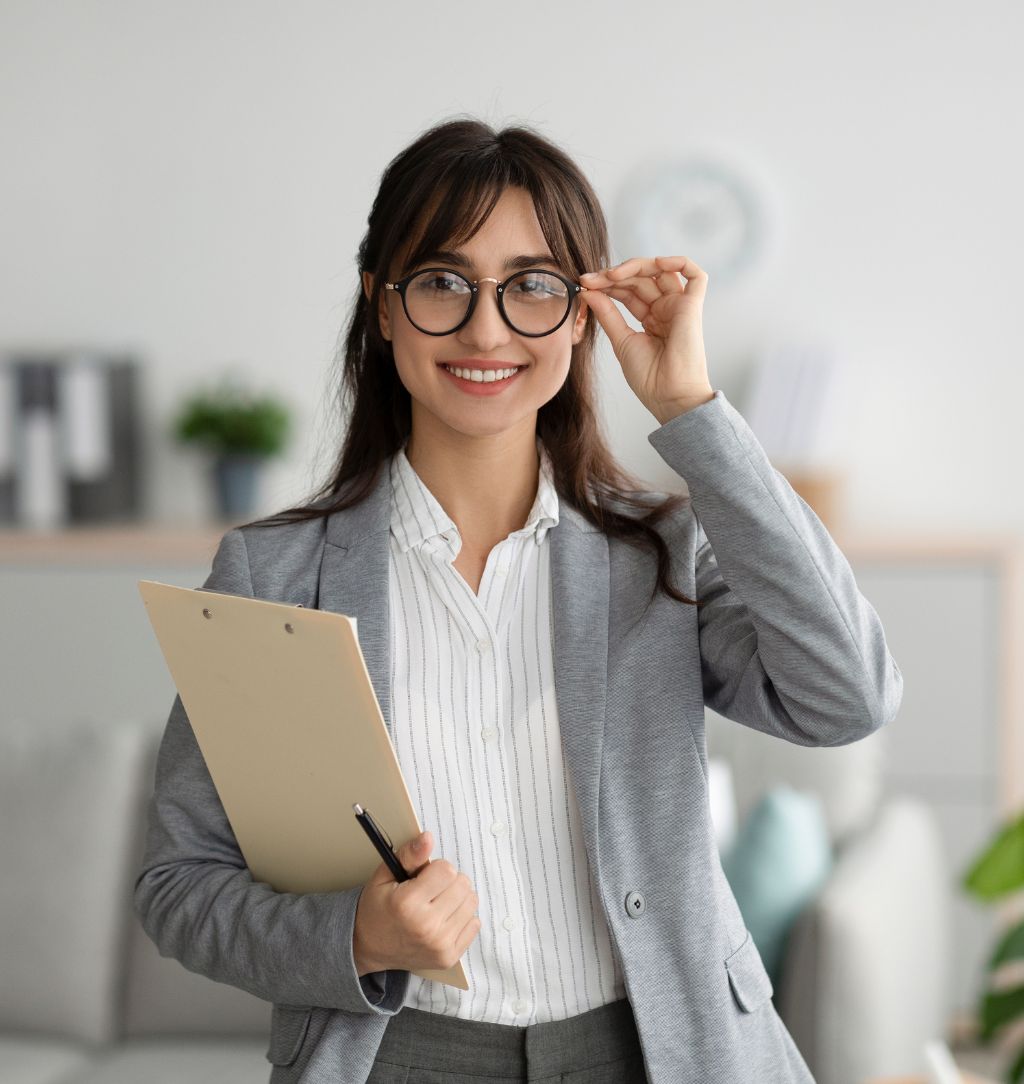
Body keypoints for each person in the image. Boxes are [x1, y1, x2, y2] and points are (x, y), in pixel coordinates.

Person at [134, 116, 903, 1084]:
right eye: (442, 283)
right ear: (381, 306)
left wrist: (692, 414)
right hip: (399, 1056)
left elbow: (847, 696)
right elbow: (179, 884)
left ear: (582, 314)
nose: (486, 329)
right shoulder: (272, 575)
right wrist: (353, 934)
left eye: (532, 285)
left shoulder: (658, 550)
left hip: (659, 1052)